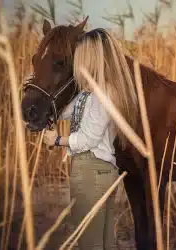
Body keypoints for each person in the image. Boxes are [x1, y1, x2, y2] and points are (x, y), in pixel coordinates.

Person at [42, 28, 139, 249]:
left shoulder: (104, 93)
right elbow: (67, 112)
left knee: (89, 242)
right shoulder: (90, 92)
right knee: (104, 241)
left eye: (81, 56)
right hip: (99, 171)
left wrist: (57, 140)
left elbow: (87, 139)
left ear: (91, 57)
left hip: (90, 170)